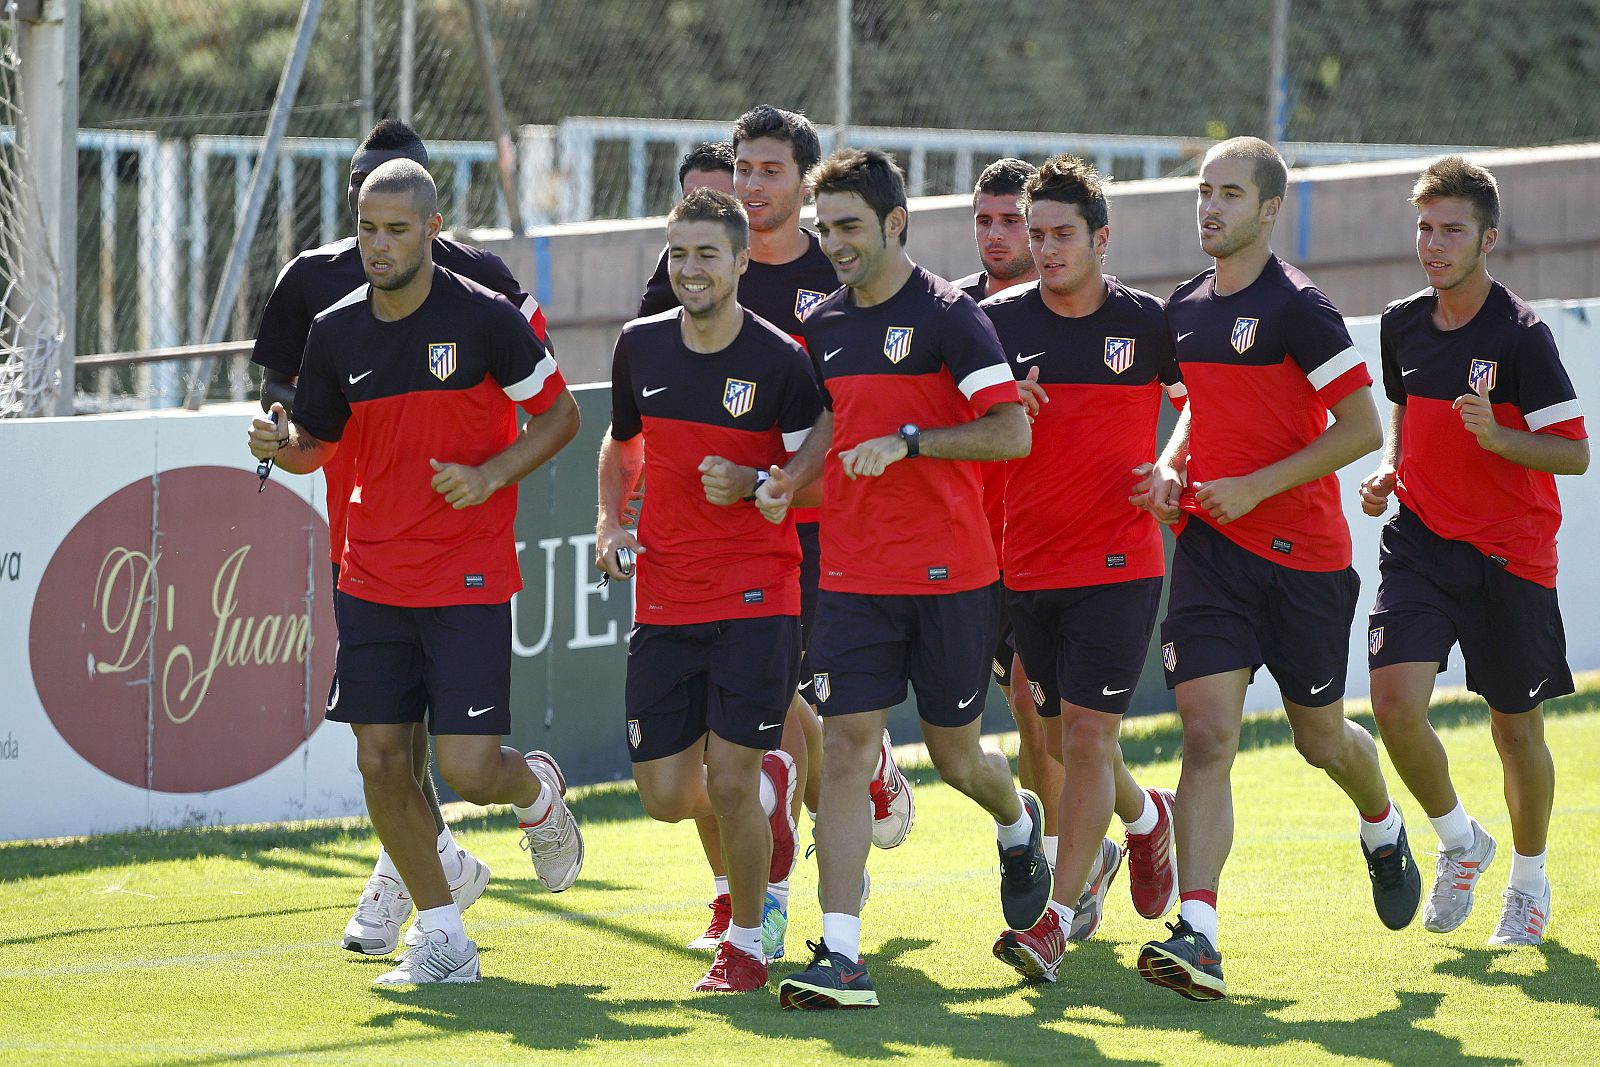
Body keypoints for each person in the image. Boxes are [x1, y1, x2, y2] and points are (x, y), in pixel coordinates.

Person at [245, 160, 583, 985]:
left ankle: (534, 791)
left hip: (466, 574)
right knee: (382, 761)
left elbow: (561, 416)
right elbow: (316, 444)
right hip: (370, 574)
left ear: (433, 229)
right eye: (367, 228)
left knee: (469, 769)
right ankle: (443, 937)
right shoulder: (335, 329)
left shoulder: (487, 317)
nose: (379, 245)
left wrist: (490, 474)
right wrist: (278, 446)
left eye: (397, 229)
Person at [758, 148, 1044, 1010]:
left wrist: (914, 442)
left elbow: (1011, 432)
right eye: (825, 228)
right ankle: (842, 954)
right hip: (853, 575)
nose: (834, 243)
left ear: (895, 222)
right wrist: (788, 479)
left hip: (953, 576)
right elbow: (832, 418)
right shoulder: (827, 324)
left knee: (956, 756)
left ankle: (1017, 821)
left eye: (849, 226)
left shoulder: (953, 317)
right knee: (848, 748)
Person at [1129, 136, 1410, 1001]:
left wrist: (1256, 486)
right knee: (1208, 734)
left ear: (1270, 209)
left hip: (1304, 561)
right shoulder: (1184, 306)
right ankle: (1200, 933)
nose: (1209, 207)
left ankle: (1382, 821)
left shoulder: (1301, 309)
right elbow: (1195, 408)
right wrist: (1173, 464)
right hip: (1212, 552)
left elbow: (1363, 429)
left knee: (1319, 739)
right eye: (1203, 191)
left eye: (1229, 194)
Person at [636, 106, 915, 957]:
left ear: (805, 181)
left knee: (790, 706)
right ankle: (744, 892)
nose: (752, 185)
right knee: (740, 734)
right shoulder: (692, 267)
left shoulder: (843, 263)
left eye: (770, 171)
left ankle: (808, 842)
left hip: (827, 518)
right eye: (743, 169)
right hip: (720, 537)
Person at [596, 189, 822, 992]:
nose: (690, 269)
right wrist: (610, 523)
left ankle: (748, 944)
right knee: (665, 794)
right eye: (679, 254)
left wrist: (761, 483)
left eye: (707, 254)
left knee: (726, 777)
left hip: (758, 593)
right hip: (664, 596)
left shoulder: (781, 359)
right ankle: (770, 788)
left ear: (741, 261)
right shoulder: (639, 346)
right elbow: (622, 445)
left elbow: (819, 475)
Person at [1358, 157, 1587, 947]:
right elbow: (1402, 406)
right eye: (1425, 227)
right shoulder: (1401, 322)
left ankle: (1528, 882)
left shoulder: (1522, 335)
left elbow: (1574, 452)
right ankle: (1460, 840)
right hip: (1419, 542)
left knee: (1515, 733)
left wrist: (1498, 436)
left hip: (1509, 556)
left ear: (1488, 238)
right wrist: (1390, 464)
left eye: (1451, 230)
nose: (1433, 243)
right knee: (1394, 706)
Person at [982, 154, 1183, 984]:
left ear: (1102, 238)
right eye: (1038, 235)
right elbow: (958, 419)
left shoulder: (1148, 322)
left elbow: (1198, 407)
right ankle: (1147, 817)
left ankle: (1054, 924)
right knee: (1063, 738)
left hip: (1120, 563)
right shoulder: (993, 322)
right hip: (1027, 566)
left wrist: (1169, 462)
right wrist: (1001, 406)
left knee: (1090, 737)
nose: (1046, 248)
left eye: (1062, 234)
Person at [954, 157, 1061, 872]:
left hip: (1053, 543)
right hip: (974, 545)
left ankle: (1051, 862)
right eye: (984, 220)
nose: (996, 235)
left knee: (1036, 710)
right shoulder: (954, 313)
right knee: (981, 730)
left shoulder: (1076, 304)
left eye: (1011, 221)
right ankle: (1135, 820)